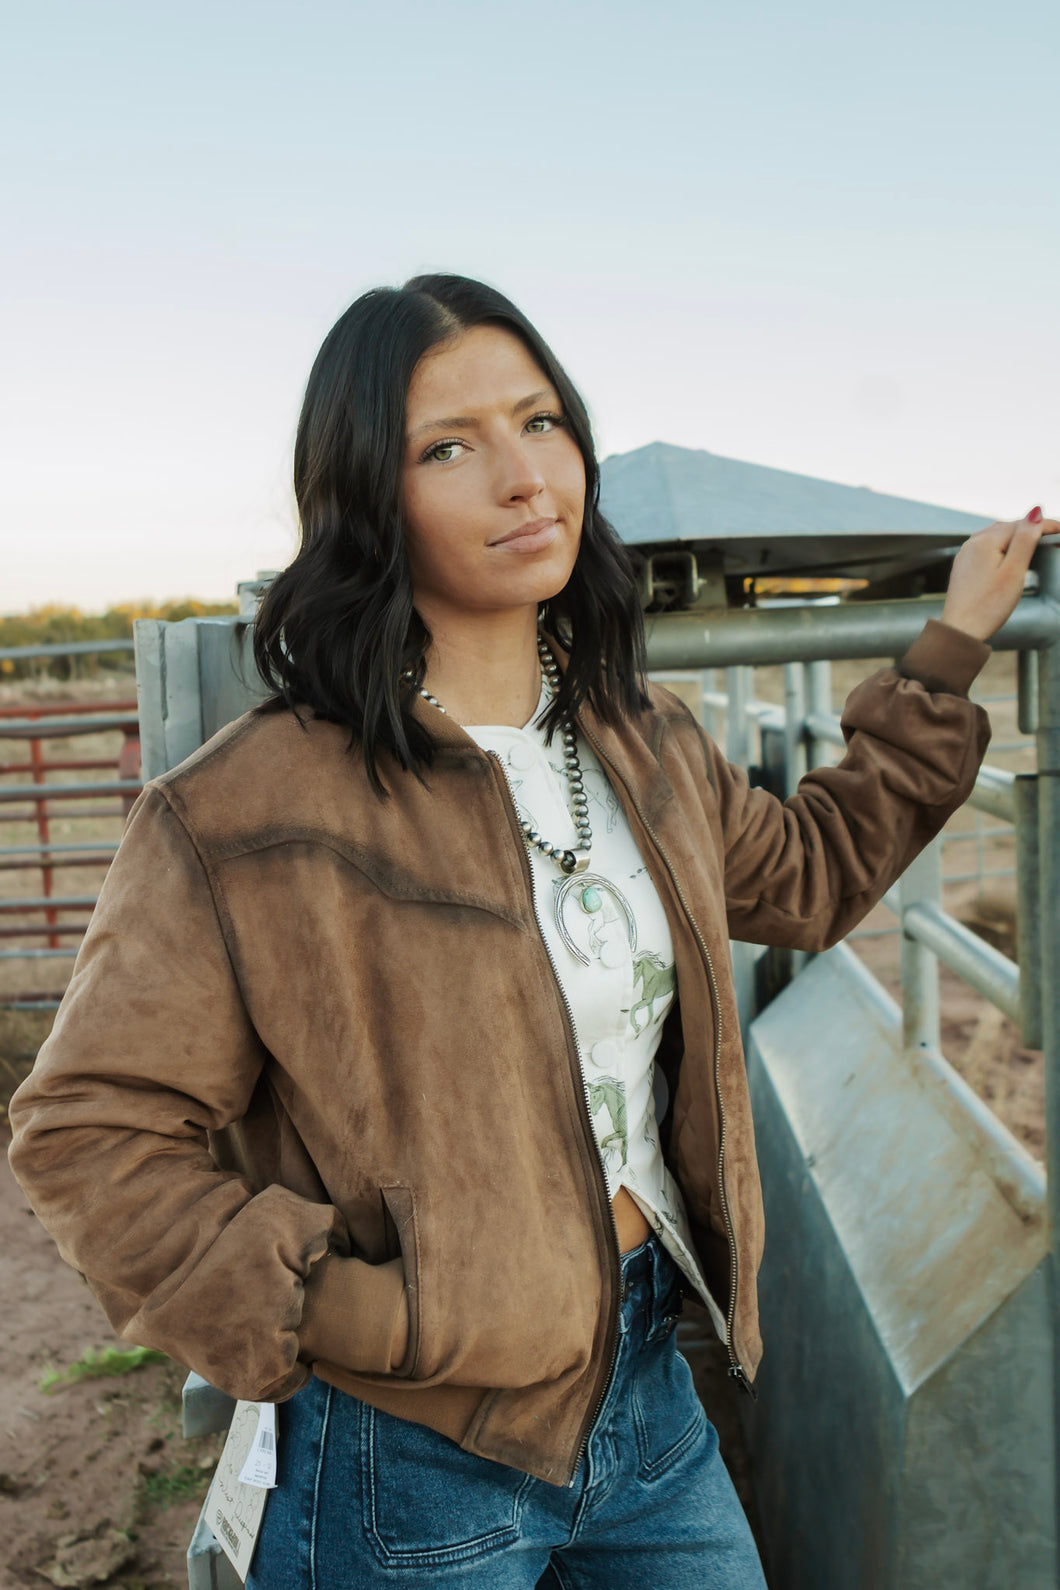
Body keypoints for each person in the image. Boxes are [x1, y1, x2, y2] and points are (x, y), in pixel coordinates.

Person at [7, 273, 1050, 1590]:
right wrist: (338, 1307)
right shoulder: (242, 812)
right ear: (367, 498)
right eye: (449, 445)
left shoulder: (645, 741)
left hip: (650, 1395)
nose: (521, 476)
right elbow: (86, 1132)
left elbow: (812, 873)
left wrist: (948, 653)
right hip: (404, 1447)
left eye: (539, 420)